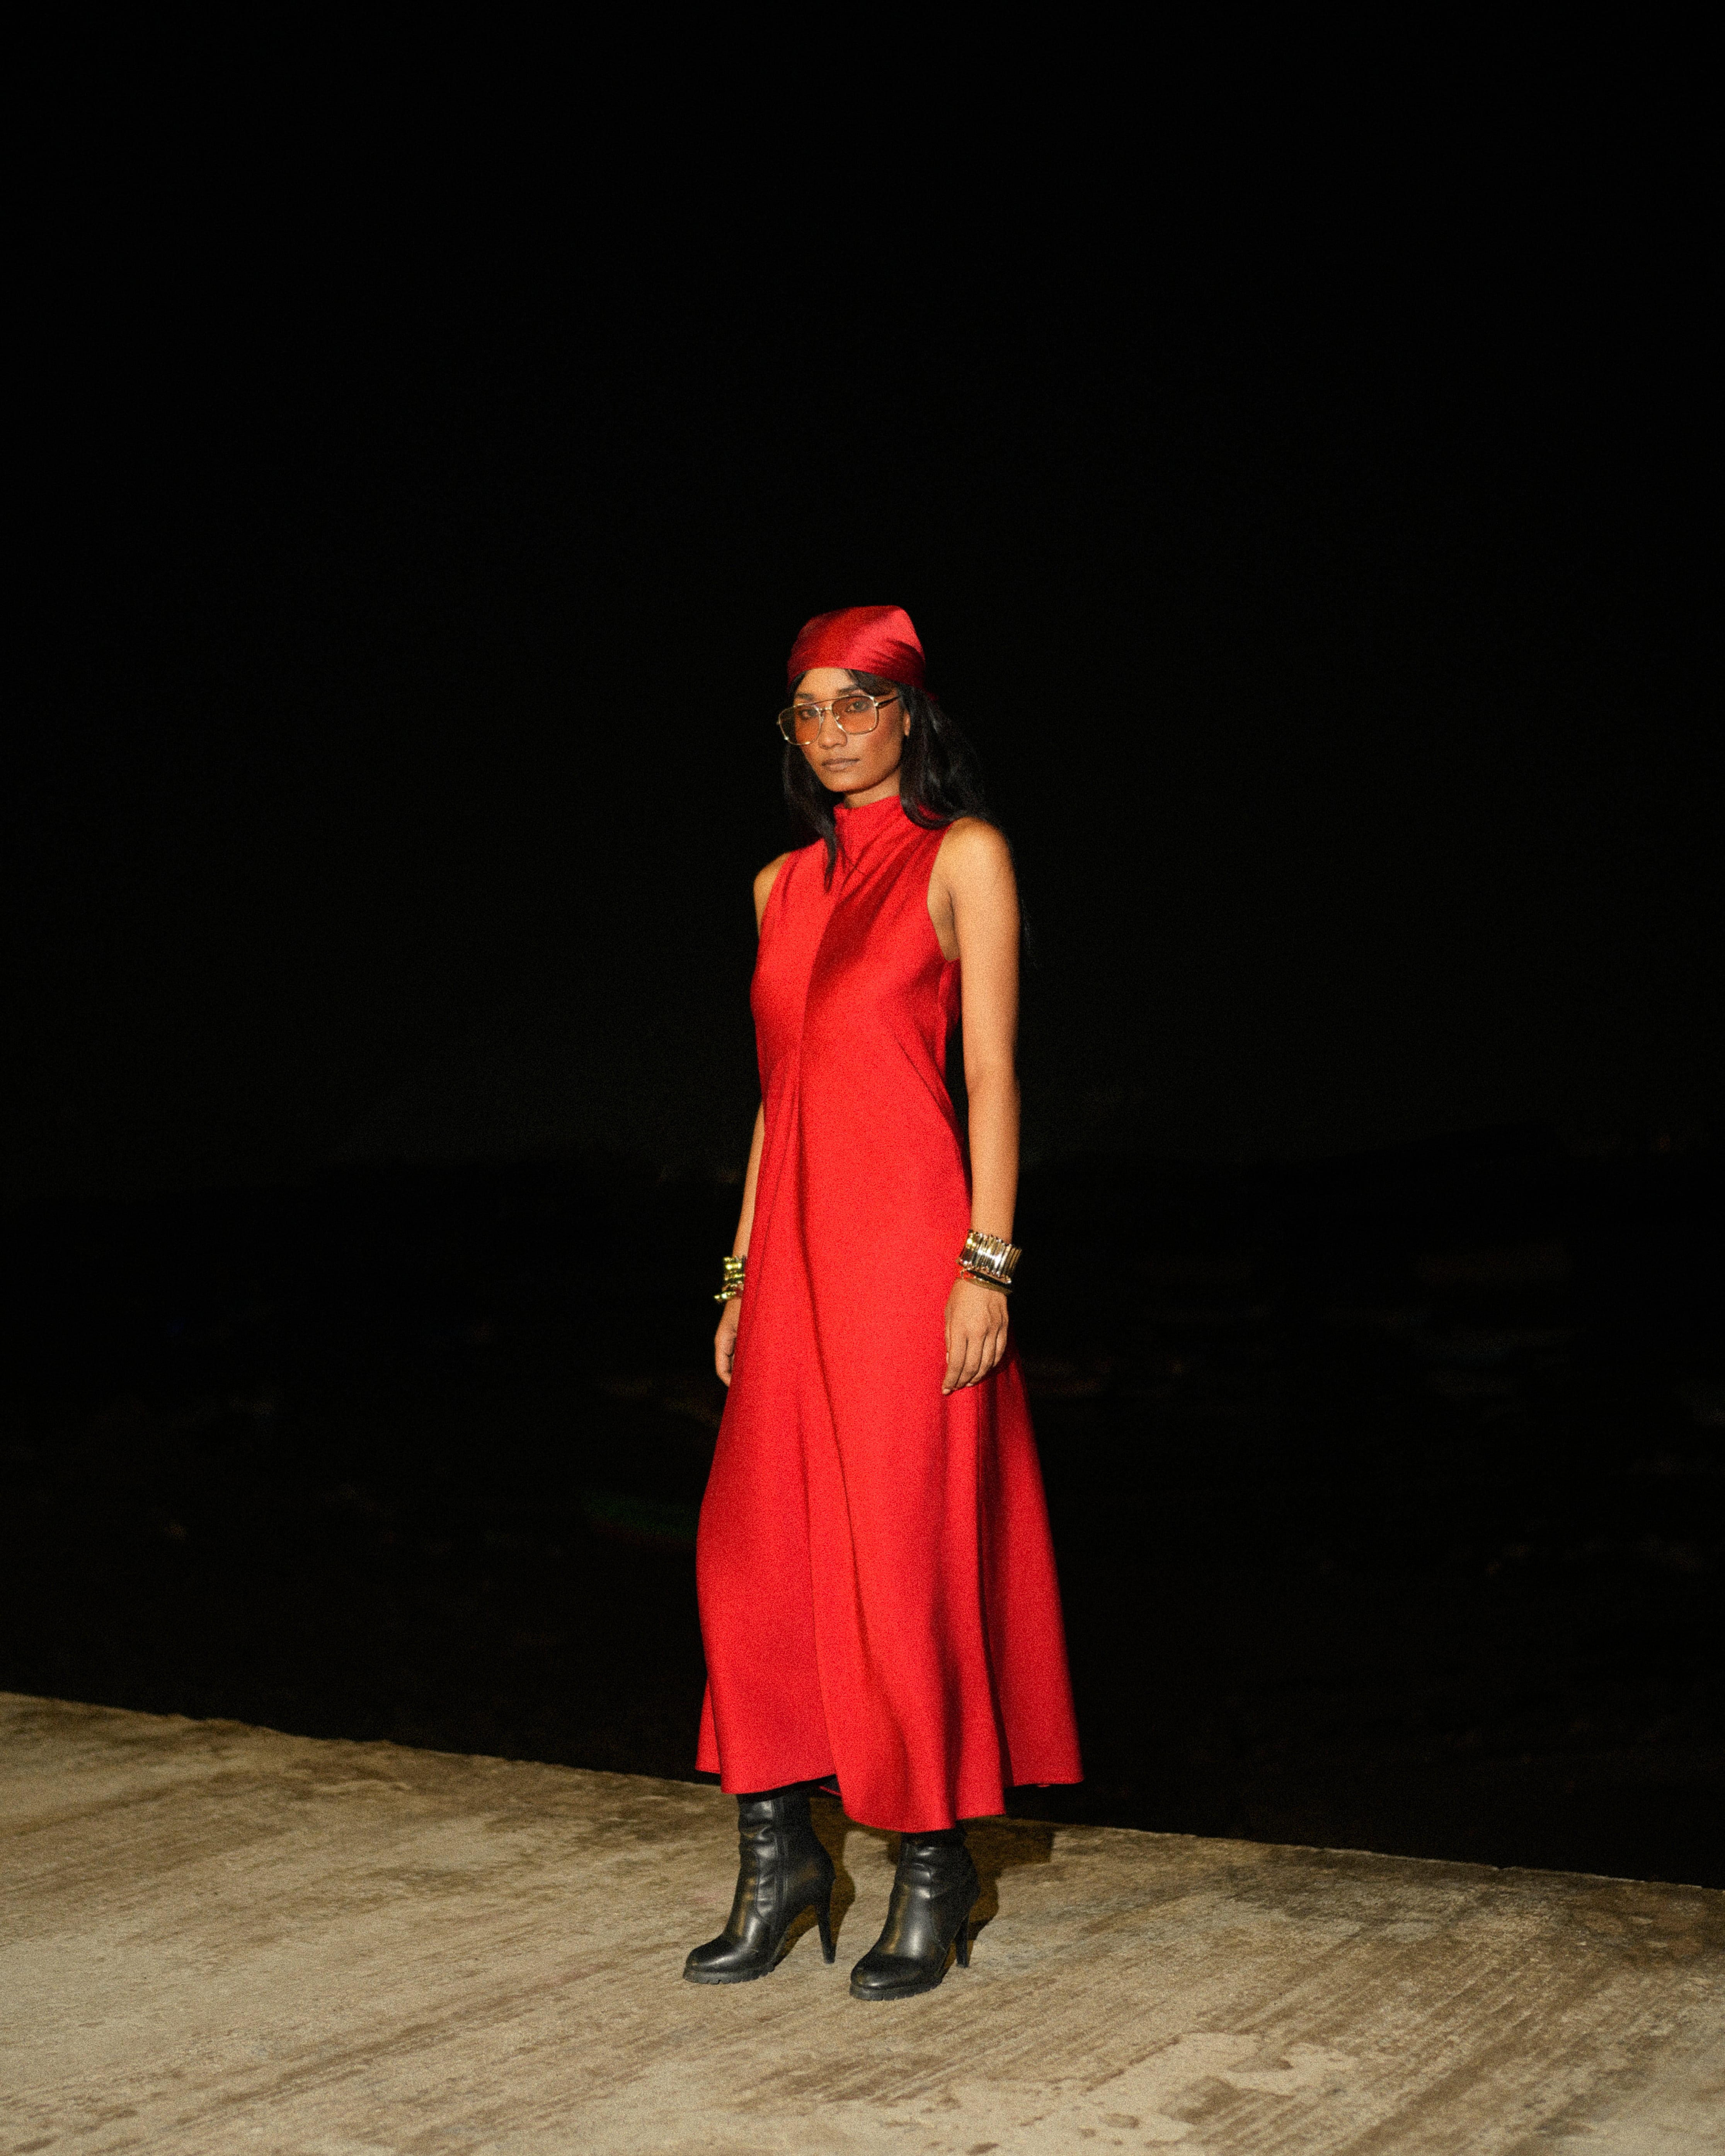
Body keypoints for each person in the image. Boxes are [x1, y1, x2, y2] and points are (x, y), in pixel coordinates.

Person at [685, 605, 1081, 2002]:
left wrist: (990, 1262)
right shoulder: (777, 887)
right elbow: (775, 1099)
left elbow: (993, 1079)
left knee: (899, 1557)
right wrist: (738, 1272)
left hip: (912, 1250)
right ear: (788, 733)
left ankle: (928, 1861)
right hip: (791, 1259)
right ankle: (779, 1851)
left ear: (911, 714)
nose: (835, 726)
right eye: (808, 706)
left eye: (861, 700)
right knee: (751, 1555)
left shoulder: (962, 857)